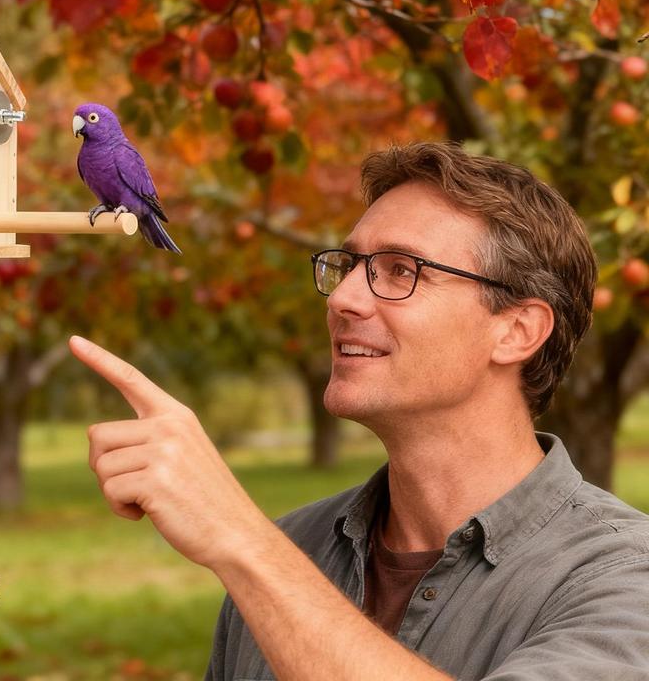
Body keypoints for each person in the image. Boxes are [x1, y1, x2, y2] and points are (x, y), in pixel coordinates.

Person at [69, 141, 649, 680]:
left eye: (402, 270)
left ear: (518, 331)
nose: (344, 299)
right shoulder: (290, 549)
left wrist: (241, 541)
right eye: (348, 267)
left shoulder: (622, 576)